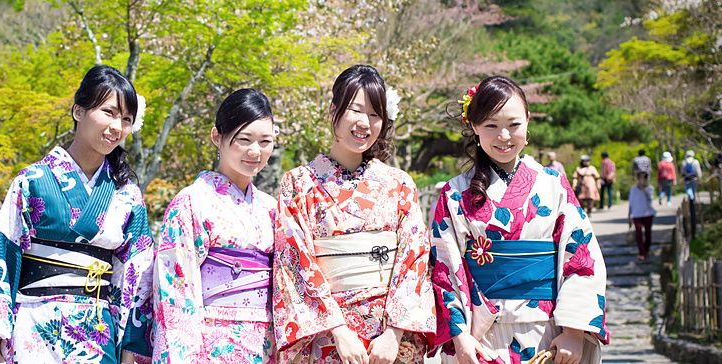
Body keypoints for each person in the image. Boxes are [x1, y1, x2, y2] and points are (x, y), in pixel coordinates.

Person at [0, 65, 155, 364]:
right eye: (108, 112)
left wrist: (131, 353)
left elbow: (138, 276)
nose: (116, 126)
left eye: (126, 119)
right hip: (32, 325)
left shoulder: (127, 194)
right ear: (78, 111)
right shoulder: (32, 181)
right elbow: (0, 256)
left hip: (97, 331)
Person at [430, 76, 608, 364]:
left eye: (513, 125)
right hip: (480, 336)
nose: (504, 136)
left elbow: (583, 259)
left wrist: (574, 331)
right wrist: (459, 337)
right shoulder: (454, 194)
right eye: (491, 126)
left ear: (528, 121)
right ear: (474, 127)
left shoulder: (554, 185)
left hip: (549, 333)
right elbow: (443, 271)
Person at [272, 65, 436, 363]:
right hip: (328, 337)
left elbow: (415, 261)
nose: (365, 122)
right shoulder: (298, 184)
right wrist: (339, 332)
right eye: (356, 110)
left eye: (375, 115)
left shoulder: (399, 184)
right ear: (333, 111)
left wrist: (394, 334)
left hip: (392, 341)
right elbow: (296, 264)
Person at [152, 89, 279, 362]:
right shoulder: (191, 202)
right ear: (217, 137)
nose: (255, 151)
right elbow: (175, 291)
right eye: (244, 140)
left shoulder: (272, 209)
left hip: (266, 346)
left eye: (265, 141)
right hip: (211, 345)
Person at [628, 172, 656, 261]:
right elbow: (631, 203)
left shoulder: (650, 188)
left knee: (648, 234)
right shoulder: (633, 189)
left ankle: (646, 250)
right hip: (636, 214)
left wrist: (643, 189)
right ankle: (641, 252)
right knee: (638, 234)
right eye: (640, 178)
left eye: (644, 178)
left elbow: (650, 199)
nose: (642, 180)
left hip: (648, 214)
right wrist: (629, 215)